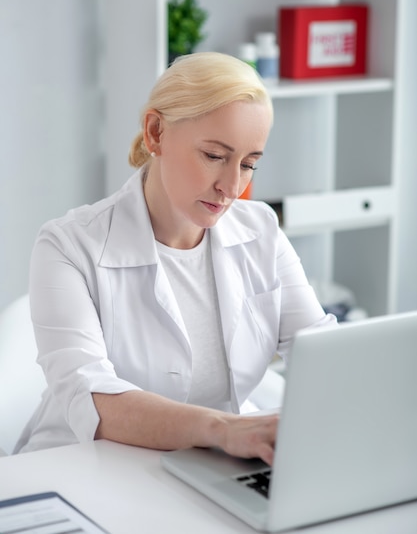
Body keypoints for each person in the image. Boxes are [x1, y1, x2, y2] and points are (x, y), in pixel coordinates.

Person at [16, 52, 336, 464]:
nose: (231, 187)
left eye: (248, 164)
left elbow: (320, 352)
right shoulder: (67, 246)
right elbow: (92, 397)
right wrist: (222, 429)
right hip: (81, 468)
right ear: (156, 133)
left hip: (208, 468)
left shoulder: (261, 231)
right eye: (214, 156)